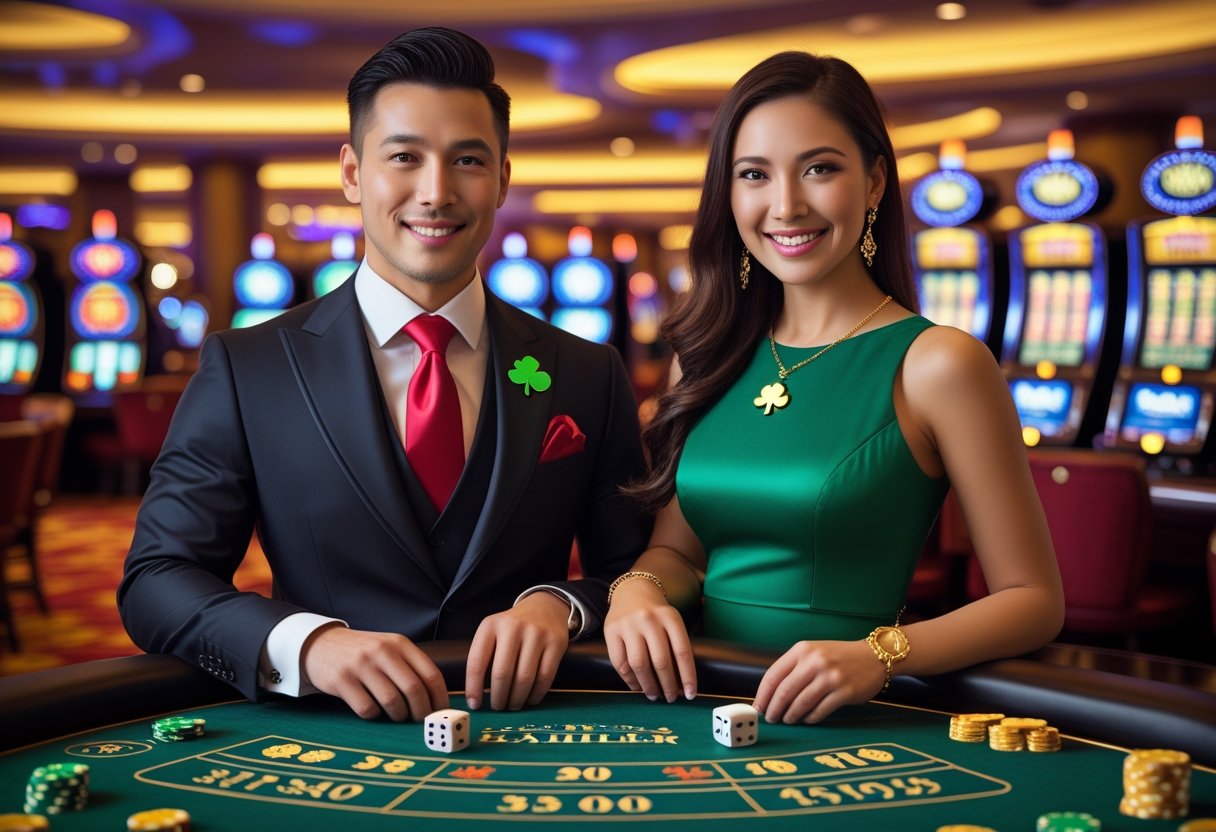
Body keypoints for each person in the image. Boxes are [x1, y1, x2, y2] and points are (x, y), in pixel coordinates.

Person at [118, 27, 650, 722]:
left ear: (502, 179)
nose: (435, 192)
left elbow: (641, 572)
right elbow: (157, 580)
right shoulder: (248, 367)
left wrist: (561, 605)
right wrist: (308, 646)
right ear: (352, 173)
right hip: (327, 742)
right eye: (404, 157)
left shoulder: (587, 372)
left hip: (531, 733)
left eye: (467, 160)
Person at [602, 51, 1064, 724]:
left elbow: (1032, 600)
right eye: (754, 175)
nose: (786, 205)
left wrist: (880, 654)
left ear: (874, 182)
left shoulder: (938, 363)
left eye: (819, 169)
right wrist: (637, 592)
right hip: (693, 705)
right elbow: (677, 550)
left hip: (841, 719)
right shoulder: (704, 357)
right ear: (728, 196)